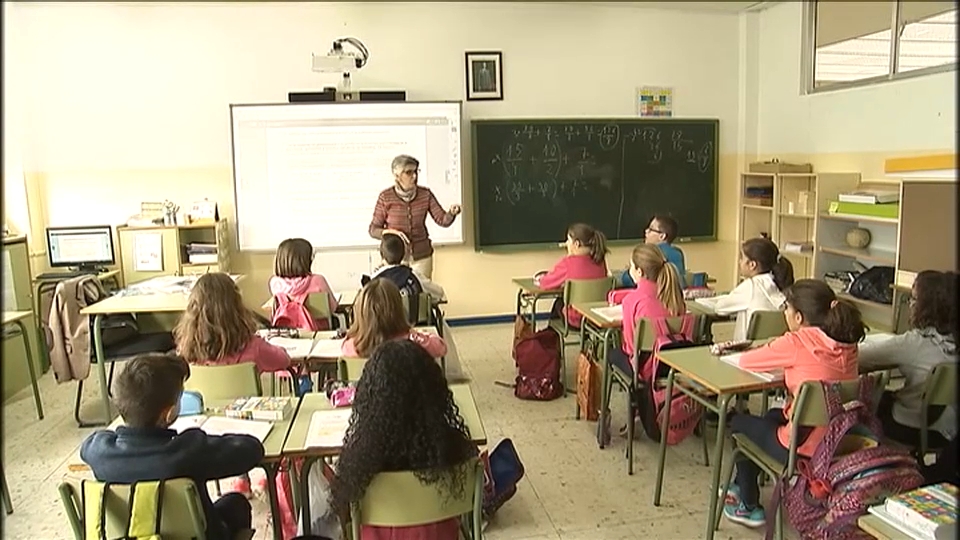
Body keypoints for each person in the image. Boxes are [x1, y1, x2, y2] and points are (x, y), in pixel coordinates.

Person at [722, 279, 865, 529]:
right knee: (771, 416)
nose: (784, 313)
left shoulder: (795, 342)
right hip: (839, 441)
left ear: (798, 317)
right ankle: (740, 484)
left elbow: (746, 361)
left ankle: (748, 504)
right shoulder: (848, 344)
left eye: (786, 308)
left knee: (738, 422)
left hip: (801, 450)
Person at [80, 353, 264, 540]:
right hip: (198, 537)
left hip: (131, 536)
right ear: (168, 413)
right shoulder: (189, 451)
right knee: (236, 503)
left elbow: (91, 443)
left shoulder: (99, 451)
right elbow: (252, 450)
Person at [329, 339, 478, 539]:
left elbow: (345, 518)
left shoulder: (360, 463)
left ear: (370, 399)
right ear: (434, 393)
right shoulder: (454, 449)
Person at [859, 270, 957, 447]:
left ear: (928, 307)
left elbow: (858, 358)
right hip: (951, 432)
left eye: (914, 299)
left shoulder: (917, 343)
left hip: (914, 427)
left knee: (863, 404)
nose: (910, 304)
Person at [174, 272, 292, 374]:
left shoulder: (186, 354)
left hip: (204, 395)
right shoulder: (255, 348)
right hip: (243, 394)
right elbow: (284, 360)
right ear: (237, 307)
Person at [368, 155, 462, 279]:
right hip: (395, 258)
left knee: (422, 289)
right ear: (397, 176)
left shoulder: (425, 194)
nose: (414, 176)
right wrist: (391, 232)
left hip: (421, 256)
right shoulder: (385, 197)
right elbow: (373, 230)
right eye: (408, 172)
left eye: (416, 171)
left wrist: (451, 213)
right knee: (396, 290)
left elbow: (442, 220)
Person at [608, 243, 685, 377]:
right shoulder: (675, 297)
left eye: (631, 266)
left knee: (611, 352)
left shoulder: (631, 301)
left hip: (644, 369)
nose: (629, 270)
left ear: (639, 272)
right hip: (673, 365)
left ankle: (634, 389)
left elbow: (631, 346)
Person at [712, 237, 795, 341]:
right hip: (772, 347)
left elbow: (719, 308)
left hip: (747, 349)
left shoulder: (751, 286)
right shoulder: (781, 284)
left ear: (752, 265)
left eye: (742, 258)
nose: (739, 262)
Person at [341, 278, 447, 359]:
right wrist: (418, 333)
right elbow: (441, 347)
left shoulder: (352, 347)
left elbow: (345, 345)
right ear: (398, 308)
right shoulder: (413, 341)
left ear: (361, 313)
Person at [535, 223, 610, 328]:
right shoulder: (601, 261)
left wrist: (540, 279)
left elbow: (546, 283)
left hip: (576, 320)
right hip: (596, 317)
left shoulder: (568, 263)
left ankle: (550, 335)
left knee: (559, 302)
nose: (566, 243)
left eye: (568, 240)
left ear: (576, 244)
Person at [269, 237, 338, 330]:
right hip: (318, 331)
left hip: (287, 332)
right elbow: (332, 308)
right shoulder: (318, 281)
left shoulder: (275, 284)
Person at [362, 232, 446, 303]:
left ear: (381, 254)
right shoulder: (414, 275)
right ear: (404, 254)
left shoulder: (373, 280)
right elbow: (440, 293)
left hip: (384, 318)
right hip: (411, 318)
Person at [618, 215, 687, 289]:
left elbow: (627, 280)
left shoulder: (649, 253)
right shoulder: (678, 253)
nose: (646, 231)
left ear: (662, 236)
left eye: (651, 229)